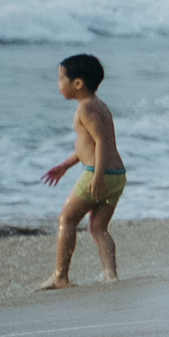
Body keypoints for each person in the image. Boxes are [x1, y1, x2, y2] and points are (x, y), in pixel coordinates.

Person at [37, 53, 124, 290]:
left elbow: (103, 142)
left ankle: (60, 277)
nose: (58, 84)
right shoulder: (100, 105)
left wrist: (97, 176)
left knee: (67, 218)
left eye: (60, 78)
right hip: (116, 174)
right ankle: (111, 275)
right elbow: (91, 145)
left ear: (77, 83)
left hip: (99, 172)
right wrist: (66, 165)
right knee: (98, 228)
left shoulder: (85, 109)